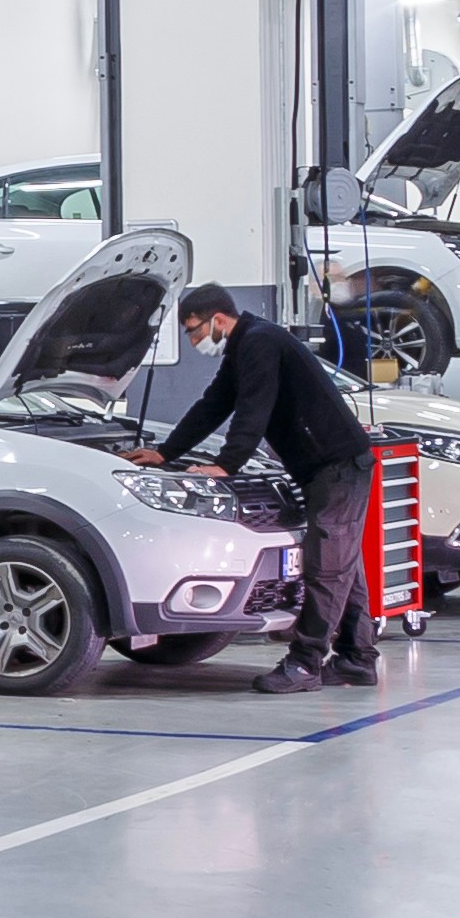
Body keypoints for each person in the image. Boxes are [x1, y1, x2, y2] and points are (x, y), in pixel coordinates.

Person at [167, 280, 378, 686]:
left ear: (219, 319)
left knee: (327, 570)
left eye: (194, 330)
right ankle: (357, 657)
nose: (193, 340)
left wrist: (227, 465)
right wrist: (166, 453)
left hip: (337, 467)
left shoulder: (260, 343)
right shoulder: (246, 345)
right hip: (325, 468)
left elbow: (253, 410)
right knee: (343, 568)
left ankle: (305, 664)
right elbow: (212, 405)